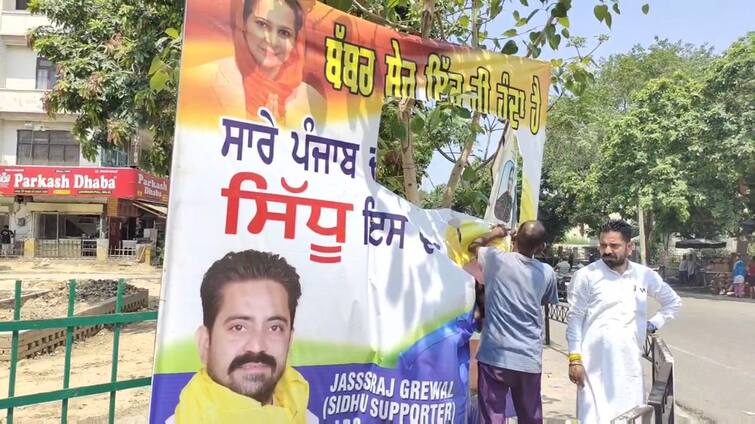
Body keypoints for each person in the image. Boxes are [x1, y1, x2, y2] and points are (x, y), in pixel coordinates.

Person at [170, 249, 317, 423]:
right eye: (238, 327)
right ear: (205, 343)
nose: (257, 346)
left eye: (274, 328)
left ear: (289, 341)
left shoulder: (306, 418)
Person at [565, 219, 681, 423]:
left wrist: (652, 325)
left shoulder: (644, 275)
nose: (607, 250)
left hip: (629, 367)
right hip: (593, 367)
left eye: (614, 245)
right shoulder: (586, 276)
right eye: (603, 245)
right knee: (593, 417)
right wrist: (575, 359)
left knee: (628, 416)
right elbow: (574, 320)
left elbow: (672, 302)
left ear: (630, 247)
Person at [468, 221, 559, 424]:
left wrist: (496, 233)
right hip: (528, 358)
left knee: (492, 416)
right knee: (530, 417)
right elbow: (544, 300)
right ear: (541, 247)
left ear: (515, 237)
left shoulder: (495, 259)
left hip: (494, 357)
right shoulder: (547, 272)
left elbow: (474, 245)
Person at [187, 0, 325, 127]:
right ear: (244, 23)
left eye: (284, 32)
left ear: (295, 40)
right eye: (262, 24)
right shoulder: (201, 80)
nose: (272, 40)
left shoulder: (312, 101)